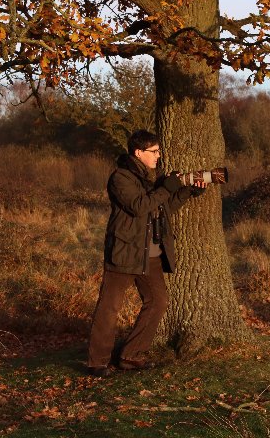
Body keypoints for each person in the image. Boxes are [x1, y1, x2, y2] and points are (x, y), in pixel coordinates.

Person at [87, 129, 206, 377]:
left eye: (158, 151)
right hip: (125, 253)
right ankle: (97, 362)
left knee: (158, 302)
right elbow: (140, 207)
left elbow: (162, 208)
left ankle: (130, 356)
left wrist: (186, 191)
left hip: (150, 254)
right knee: (109, 307)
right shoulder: (120, 178)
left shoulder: (147, 179)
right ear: (138, 152)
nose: (158, 156)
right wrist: (167, 187)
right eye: (154, 152)